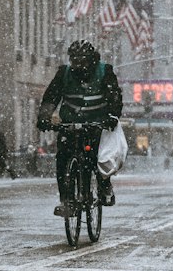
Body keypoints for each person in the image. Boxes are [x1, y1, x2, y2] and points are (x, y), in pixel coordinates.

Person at [37, 40, 123, 212]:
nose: (78, 65)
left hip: (97, 123)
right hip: (69, 123)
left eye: (82, 60)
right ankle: (66, 200)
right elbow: (51, 97)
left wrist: (112, 116)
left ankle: (104, 184)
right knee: (62, 158)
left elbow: (114, 96)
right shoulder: (64, 73)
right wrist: (44, 117)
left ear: (91, 59)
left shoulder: (104, 71)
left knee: (99, 158)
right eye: (74, 60)